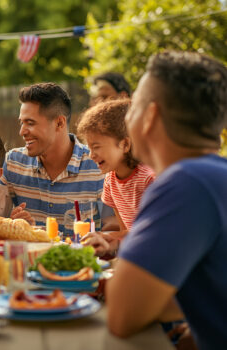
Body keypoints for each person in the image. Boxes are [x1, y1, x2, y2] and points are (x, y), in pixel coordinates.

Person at [106, 51, 227, 350]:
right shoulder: (213, 176)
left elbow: (122, 314)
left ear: (150, 117)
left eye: (132, 108)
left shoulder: (186, 182)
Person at [0, 82, 117, 237]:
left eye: (30, 123)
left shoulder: (99, 165)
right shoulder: (13, 163)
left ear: (59, 123)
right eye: (22, 122)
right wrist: (11, 223)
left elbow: (114, 228)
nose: (22, 131)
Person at [77, 99, 155, 256]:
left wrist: (110, 237)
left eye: (96, 147)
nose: (91, 155)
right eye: (89, 148)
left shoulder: (149, 180)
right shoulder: (110, 181)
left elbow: (154, 233)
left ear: (125, 144)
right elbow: (125, 230)